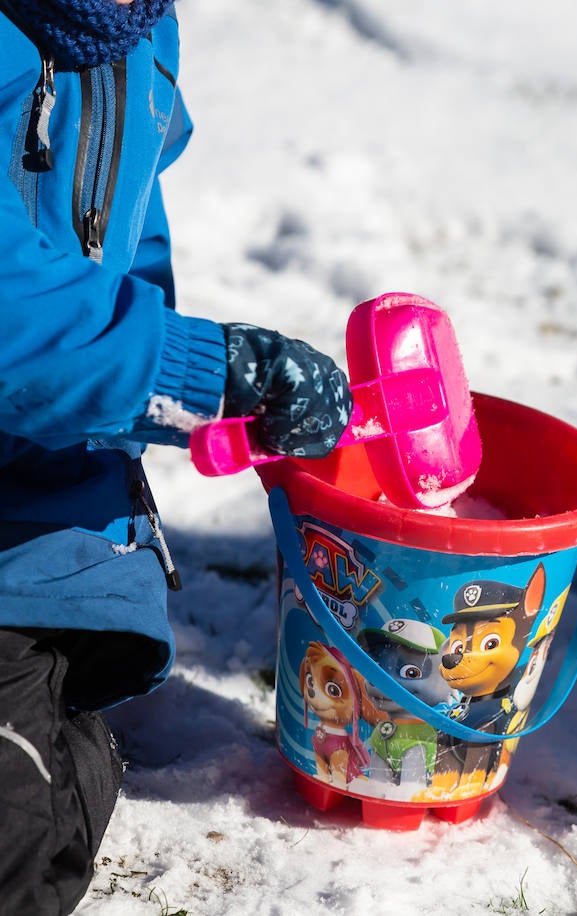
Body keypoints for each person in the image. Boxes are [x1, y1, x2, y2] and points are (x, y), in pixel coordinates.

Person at [0, 1, 353, 912]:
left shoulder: (134, 32)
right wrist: (207, 372)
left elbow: (126, 244)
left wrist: (165, 397)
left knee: (27, 845)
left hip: (41, 518)